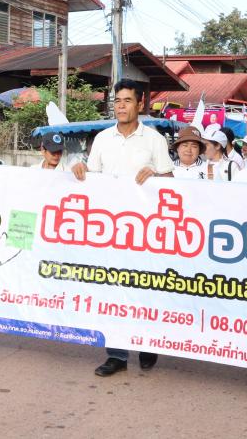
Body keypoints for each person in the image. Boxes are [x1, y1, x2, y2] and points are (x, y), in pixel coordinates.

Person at [71, 79, 174, 376]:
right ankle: (116, 354)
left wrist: (155, 175)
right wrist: (81, 169)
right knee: (113, 292)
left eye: (127, 100)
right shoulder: (103, 139)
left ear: (140, 104)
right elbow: (93, 178)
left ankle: (147, 343)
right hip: (111, 229)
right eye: (117, 101)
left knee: (145, 289)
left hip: (145, 230)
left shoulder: (154, 140)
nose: (121, 106)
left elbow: (171, 182)